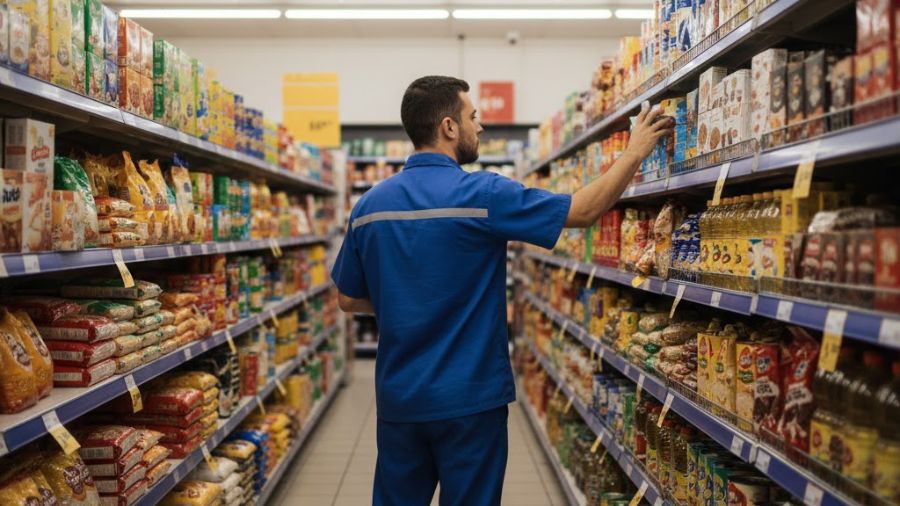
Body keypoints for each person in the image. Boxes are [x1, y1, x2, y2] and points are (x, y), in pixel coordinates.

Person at [331, 75, 673, 506]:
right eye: (473, 116)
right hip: (471, 397)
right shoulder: (483, 193)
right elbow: (583, 211)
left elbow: (347, 298)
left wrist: (406, 302)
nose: (481, 126)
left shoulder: (369, 206)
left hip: (400, 397)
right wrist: (636, 151)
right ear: (449, 127)